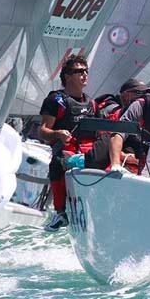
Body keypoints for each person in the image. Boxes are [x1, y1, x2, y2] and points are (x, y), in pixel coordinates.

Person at [39, 55, 97, 232]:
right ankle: (60, 212)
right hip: (65, 153)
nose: (84, 74)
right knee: (57, 162)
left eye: (86, 71)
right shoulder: (56, 100)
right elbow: (42, 131)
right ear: (67, 76)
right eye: (79, 71)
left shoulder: (92, 104)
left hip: (88, 153)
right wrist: (57, 133)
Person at [79, 79, 150, 171]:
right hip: (104, 156)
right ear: (125, 94)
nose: (142, 97)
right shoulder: (112, 111)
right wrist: (122, 155)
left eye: (144, 94)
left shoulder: (138, 116)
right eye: (138, 93)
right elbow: (106, 139)